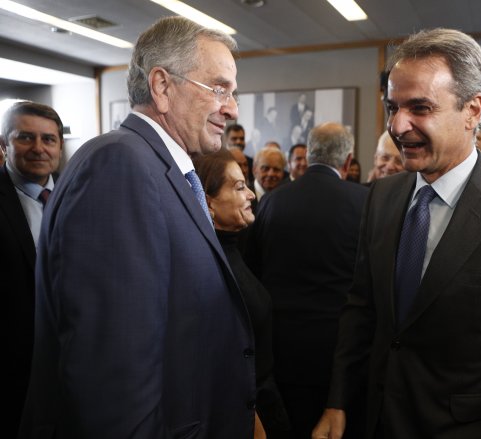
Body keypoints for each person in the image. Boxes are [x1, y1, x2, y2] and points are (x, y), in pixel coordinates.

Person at [313, 28, 481, 439]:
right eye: (392, 107)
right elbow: (362, 309)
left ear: (473, 110)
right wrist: (338, 400)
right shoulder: (380, 197)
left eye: (420, 107)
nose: (399, 125)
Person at [19, 16, 257, 438]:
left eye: (233, 93)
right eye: (219, 89)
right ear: (162, 87)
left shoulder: (160, 169)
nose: (232, 108)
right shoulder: (119, 165)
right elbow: (113, 374)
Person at [246, 122, 368, 439]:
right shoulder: (364, 203)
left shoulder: (272, 202)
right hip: (341, 354)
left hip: (282, 351)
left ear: (309, 154)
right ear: (347, 159)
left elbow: (256, 273)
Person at [193, 148, 291, 439]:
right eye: (238, 187)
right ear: (208, 203)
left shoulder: (232, 248)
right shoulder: (208, 266)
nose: (251, 194)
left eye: (247, 184)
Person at [0, 100, 63, 438]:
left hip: (70, 365)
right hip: (12, 375)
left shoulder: (77, 194)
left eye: (48, 139)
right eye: (25, 138)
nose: (38, 148)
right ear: (4, 144)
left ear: (59, 145)